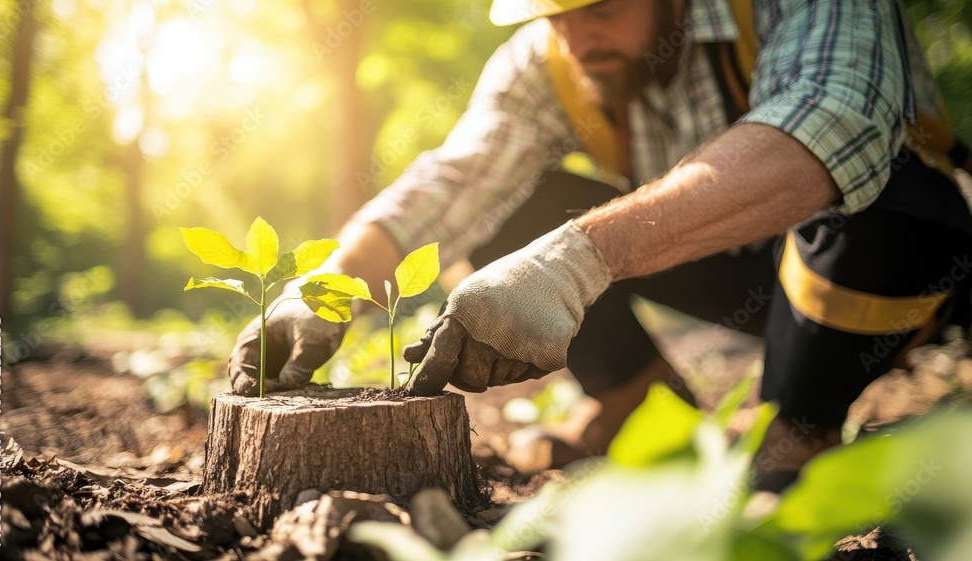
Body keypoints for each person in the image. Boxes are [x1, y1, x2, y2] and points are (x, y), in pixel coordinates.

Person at [229, 0, 972, 491]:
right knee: (511, 203)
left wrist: (579, 257)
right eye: (558, 16)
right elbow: (457, 179)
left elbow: (835, 127)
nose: (580, 35)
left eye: (605, 6)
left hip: (902, 268)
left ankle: (798, 433)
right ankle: (639, 407)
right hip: (744, 272)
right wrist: (328, 284)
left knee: (891, 197)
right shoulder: (549, 59)